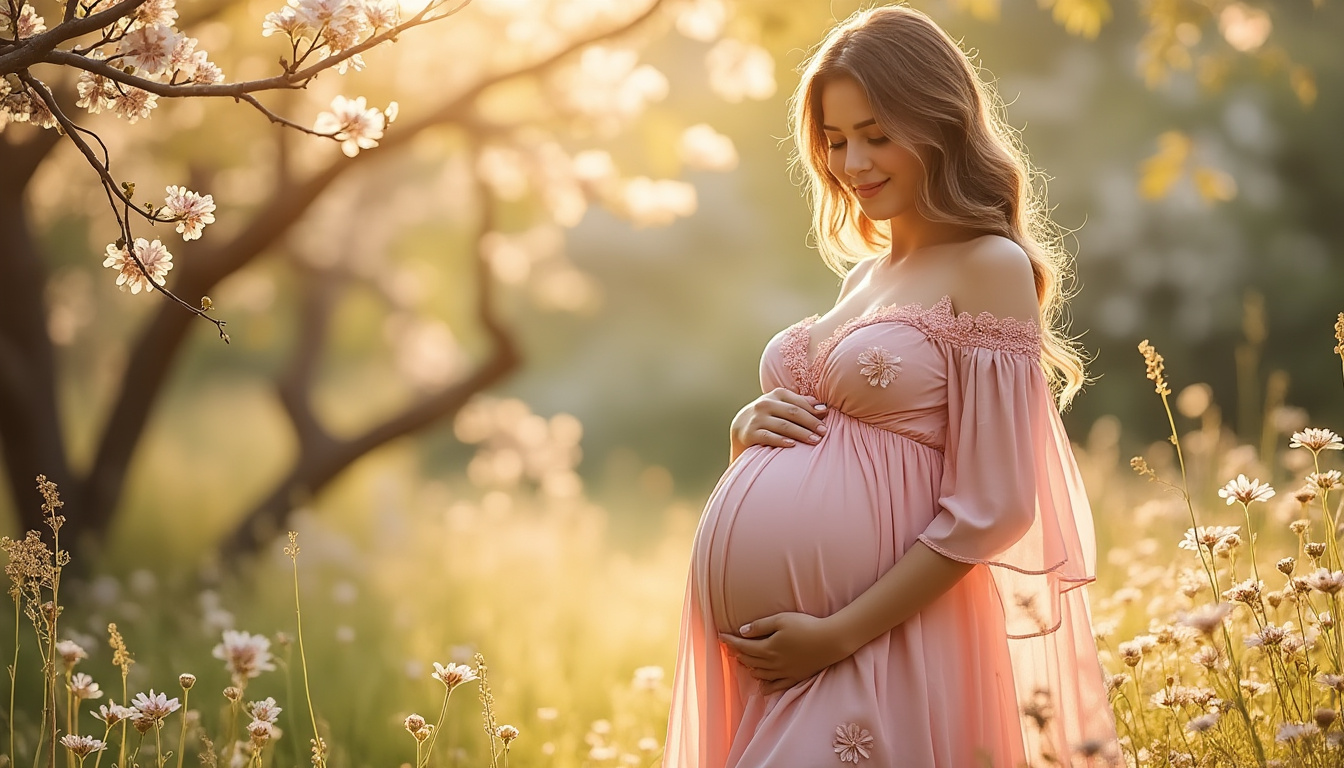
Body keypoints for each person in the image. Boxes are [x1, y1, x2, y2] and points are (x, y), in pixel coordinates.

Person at [663, 6, 1120, 767]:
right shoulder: (863, 277)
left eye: (877, 134)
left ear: (940, 123)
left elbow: (996, 508)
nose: (853, 161)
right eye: (836, 140)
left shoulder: (987, 266)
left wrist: (836, 634)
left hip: (875, 645)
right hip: (784, 659)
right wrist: (748, 431)